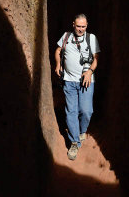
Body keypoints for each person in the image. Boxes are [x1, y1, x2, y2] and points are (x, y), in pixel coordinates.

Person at [55, 14, 100, 160]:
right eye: (78, 26)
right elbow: (57, 51)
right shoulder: (66, 36)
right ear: (73, 24)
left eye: (83, 26)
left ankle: (82, 130)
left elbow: (96, 59)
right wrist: (58, 64)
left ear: (87, 26)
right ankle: (74, 142)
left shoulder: (91, 38)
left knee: (86, 111)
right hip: (69, 81)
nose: (80, 29)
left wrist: (90, 72)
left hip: (86, 81)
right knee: (71, 112)